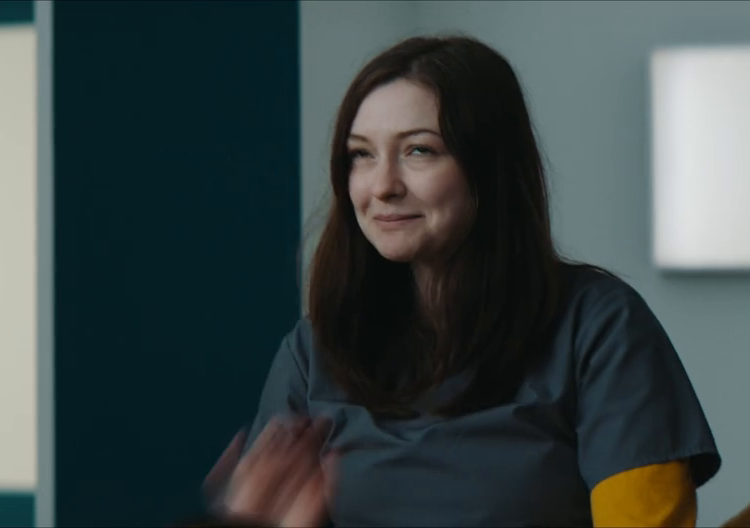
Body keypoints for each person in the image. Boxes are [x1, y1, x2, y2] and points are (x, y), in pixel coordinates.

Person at [203, 35, 722, 527]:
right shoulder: (313, 351)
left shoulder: (599, 326)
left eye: (419, 151)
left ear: (489, 168)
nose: (381, 186)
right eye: (361, 154)